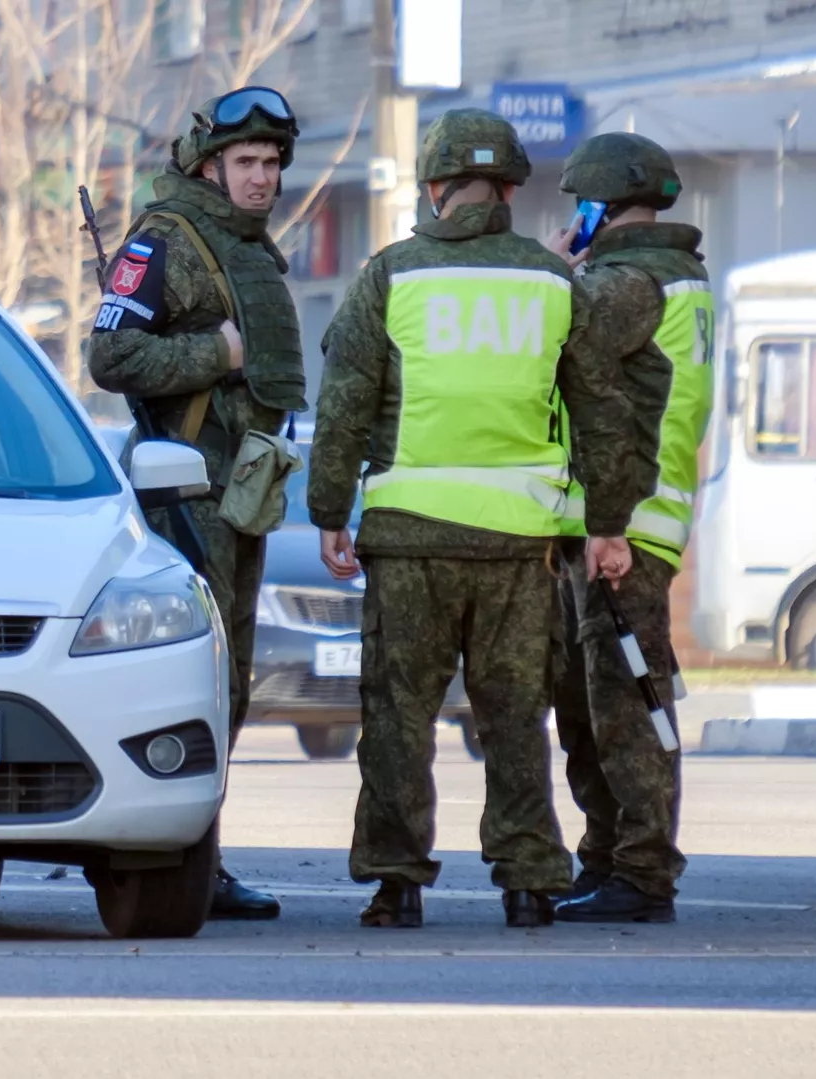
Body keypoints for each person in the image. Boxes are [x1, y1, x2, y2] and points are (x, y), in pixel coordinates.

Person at [307, 108, 637, 930]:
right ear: (511, 189)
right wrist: (607, 523)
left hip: (409, 538)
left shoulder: (392, 274)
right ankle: (528, 880)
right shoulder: (555, 281)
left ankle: (397, 882)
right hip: (519, 547)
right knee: (515, 714)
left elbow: (345, 401)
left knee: (398, 714)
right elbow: (602, 410)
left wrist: (327, 510)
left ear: (433, 187)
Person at [87, 87, 308, 920]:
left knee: (233, 684)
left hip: (241, 490)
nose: (263, 178)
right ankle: (179, 861)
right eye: (247, 162)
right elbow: (110, 353)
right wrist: (212, 351)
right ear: (211, 165)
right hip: (184, 495)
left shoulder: (249, 245)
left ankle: (200, 859)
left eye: (272, 164)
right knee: (198, 681)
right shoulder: (163, 241)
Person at [540, 132, 712, 924]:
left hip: (623, 525)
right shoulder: (679, 276)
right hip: (641, 517)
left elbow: (550, 335)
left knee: (624, 705)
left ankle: (641, 872)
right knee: (604, 698)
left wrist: (552, 266)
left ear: (596, 208)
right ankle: (608, 859)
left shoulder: (629, 281)